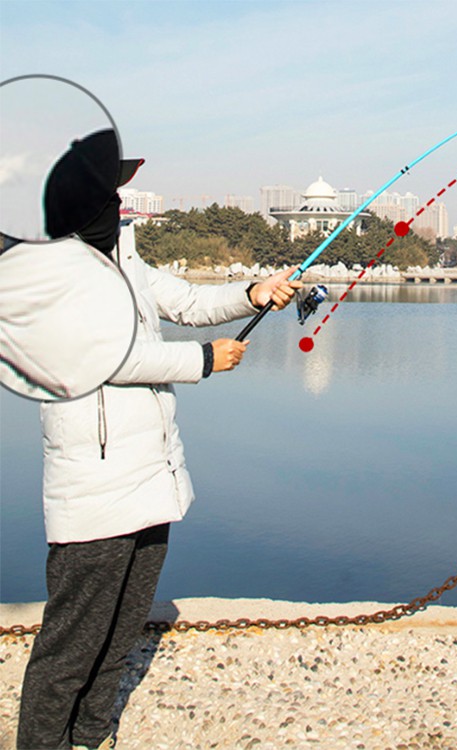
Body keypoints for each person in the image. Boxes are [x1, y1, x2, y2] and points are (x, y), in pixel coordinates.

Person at [15, 130, 302, 750]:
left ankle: (91, 738)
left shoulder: (124, 255)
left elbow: (186, 300)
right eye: (108, 192)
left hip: (151, 471)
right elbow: (100, 356)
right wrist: (200, 362)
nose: (119, 203)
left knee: (119, 633)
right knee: (71, 646)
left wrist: (253, 293)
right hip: (94, 484)